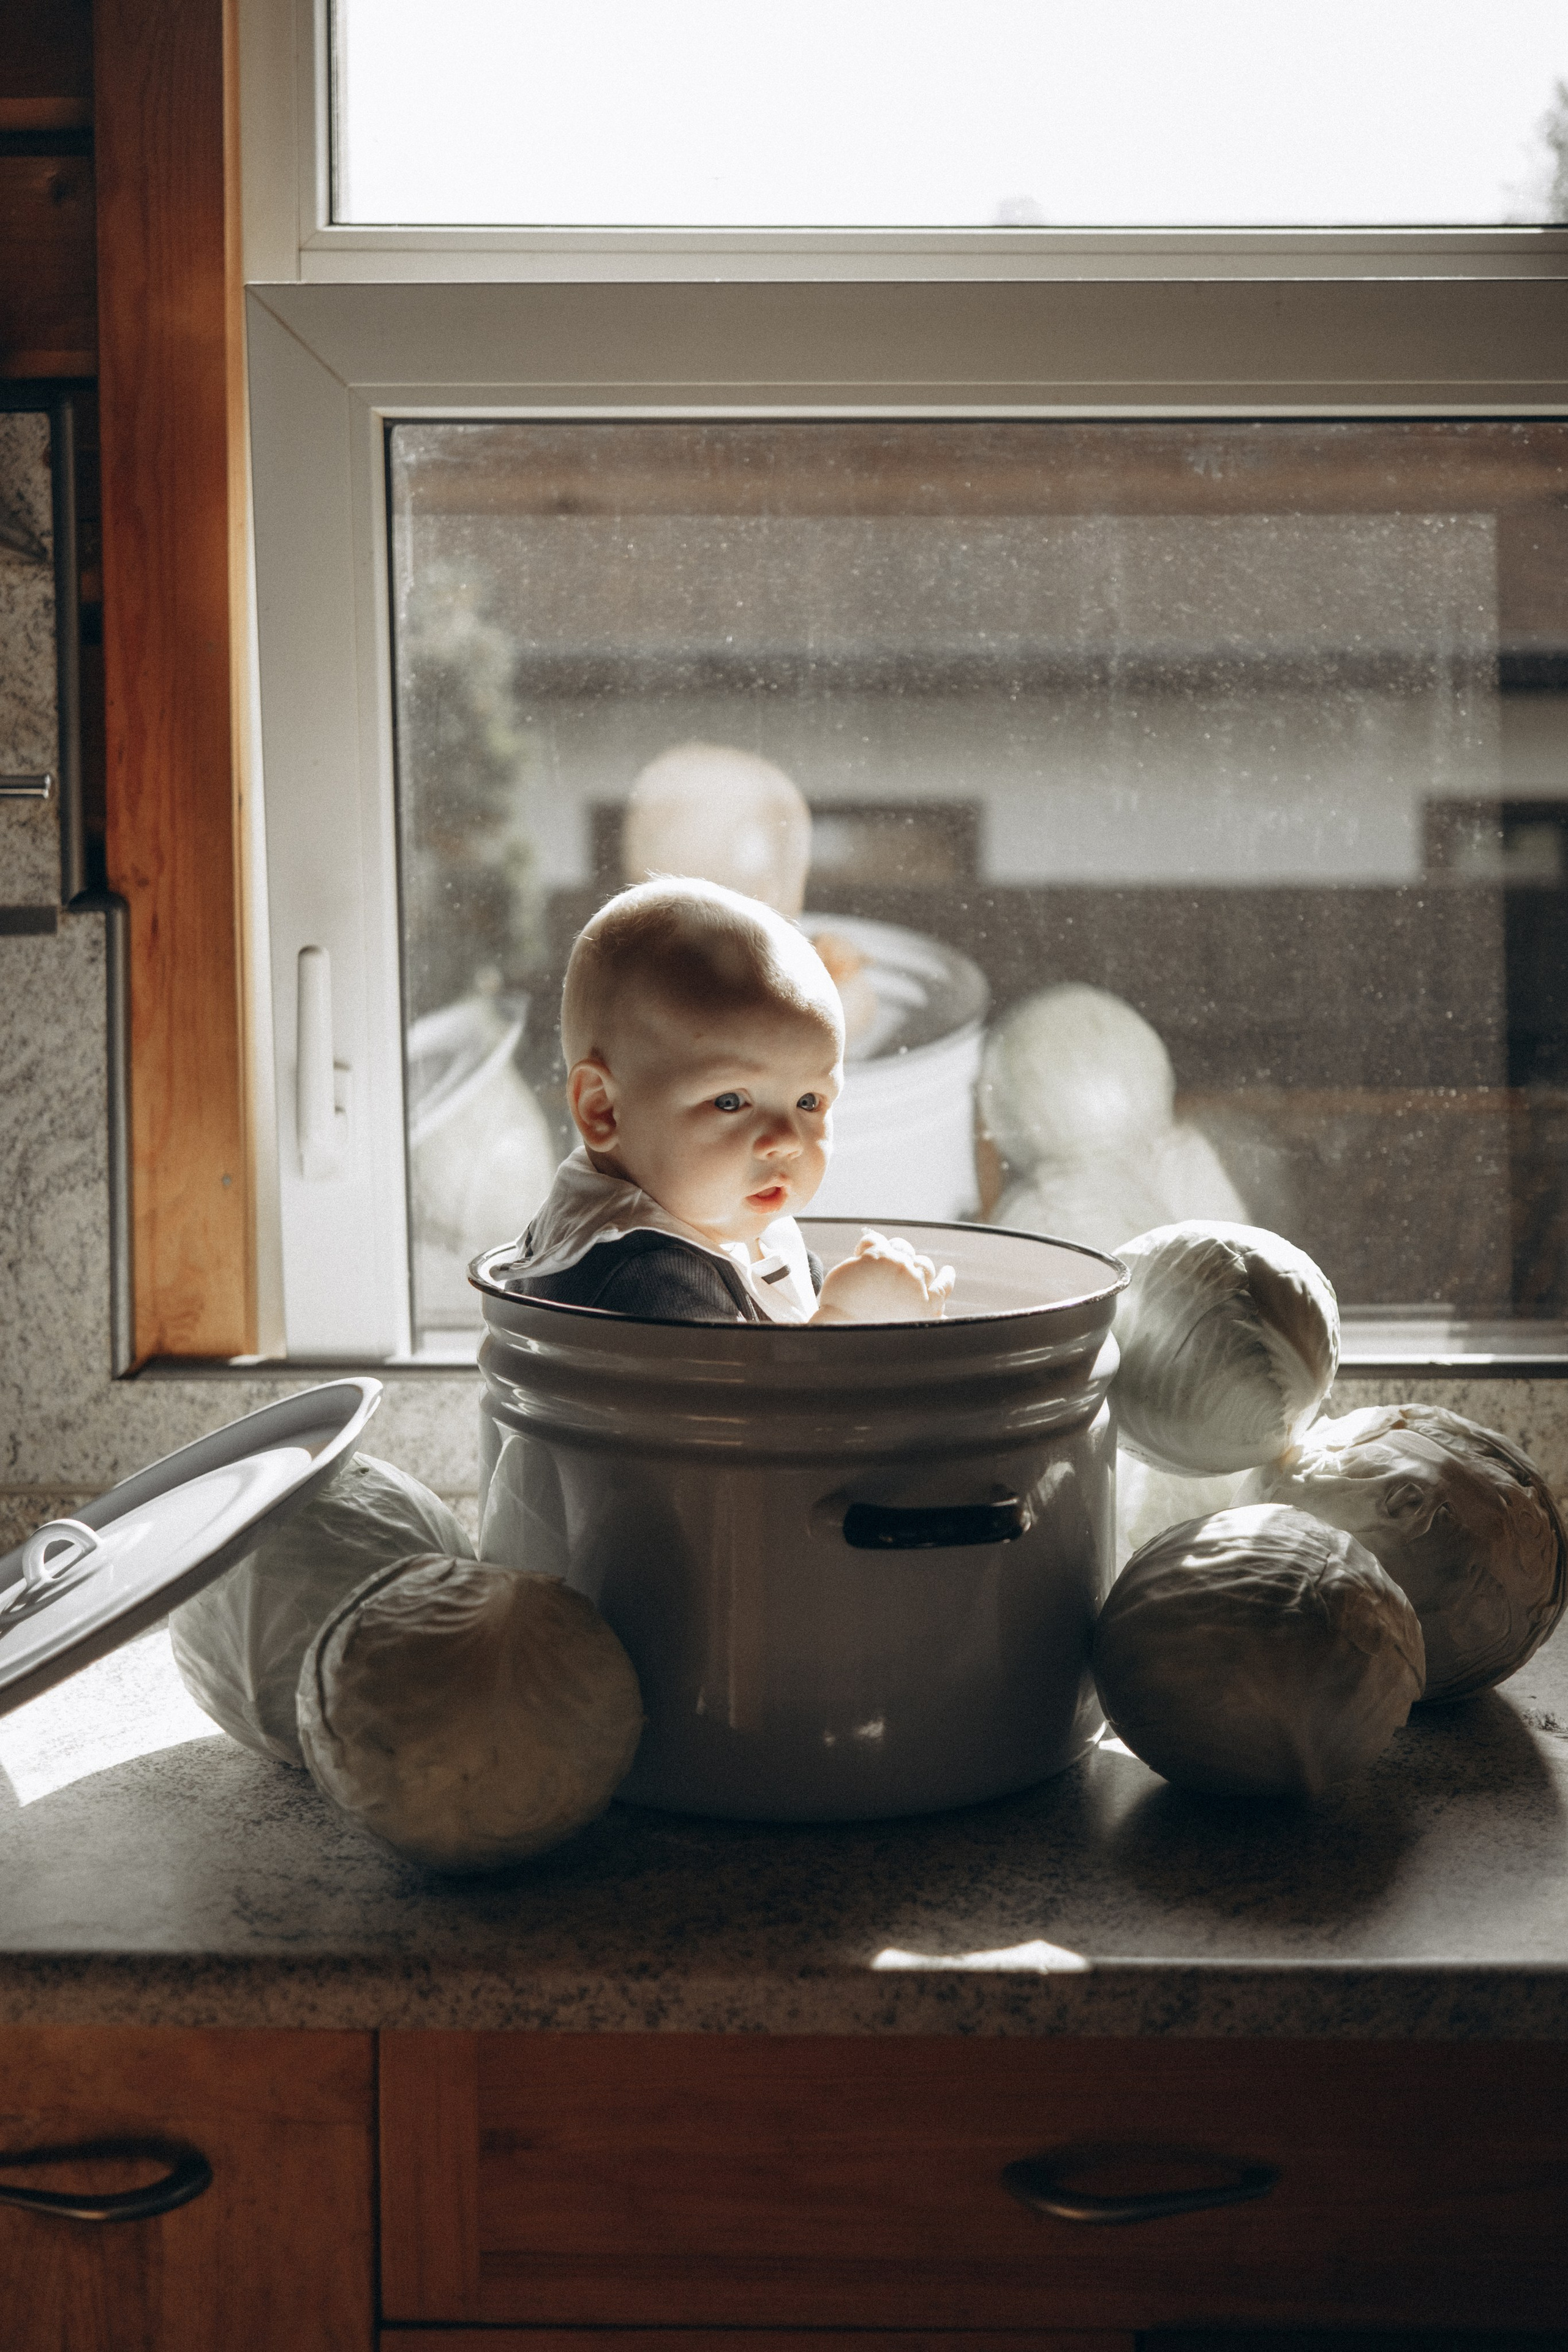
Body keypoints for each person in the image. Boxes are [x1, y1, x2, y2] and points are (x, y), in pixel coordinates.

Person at [501, 876, 954, 1324]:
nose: (785, 1141)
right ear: (602, 1108)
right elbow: (751, 1399)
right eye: (731, 1102)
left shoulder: (714, 1214)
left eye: (810, 1102)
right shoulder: (647, 1279)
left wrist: (859, 1295)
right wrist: (854, 1324)